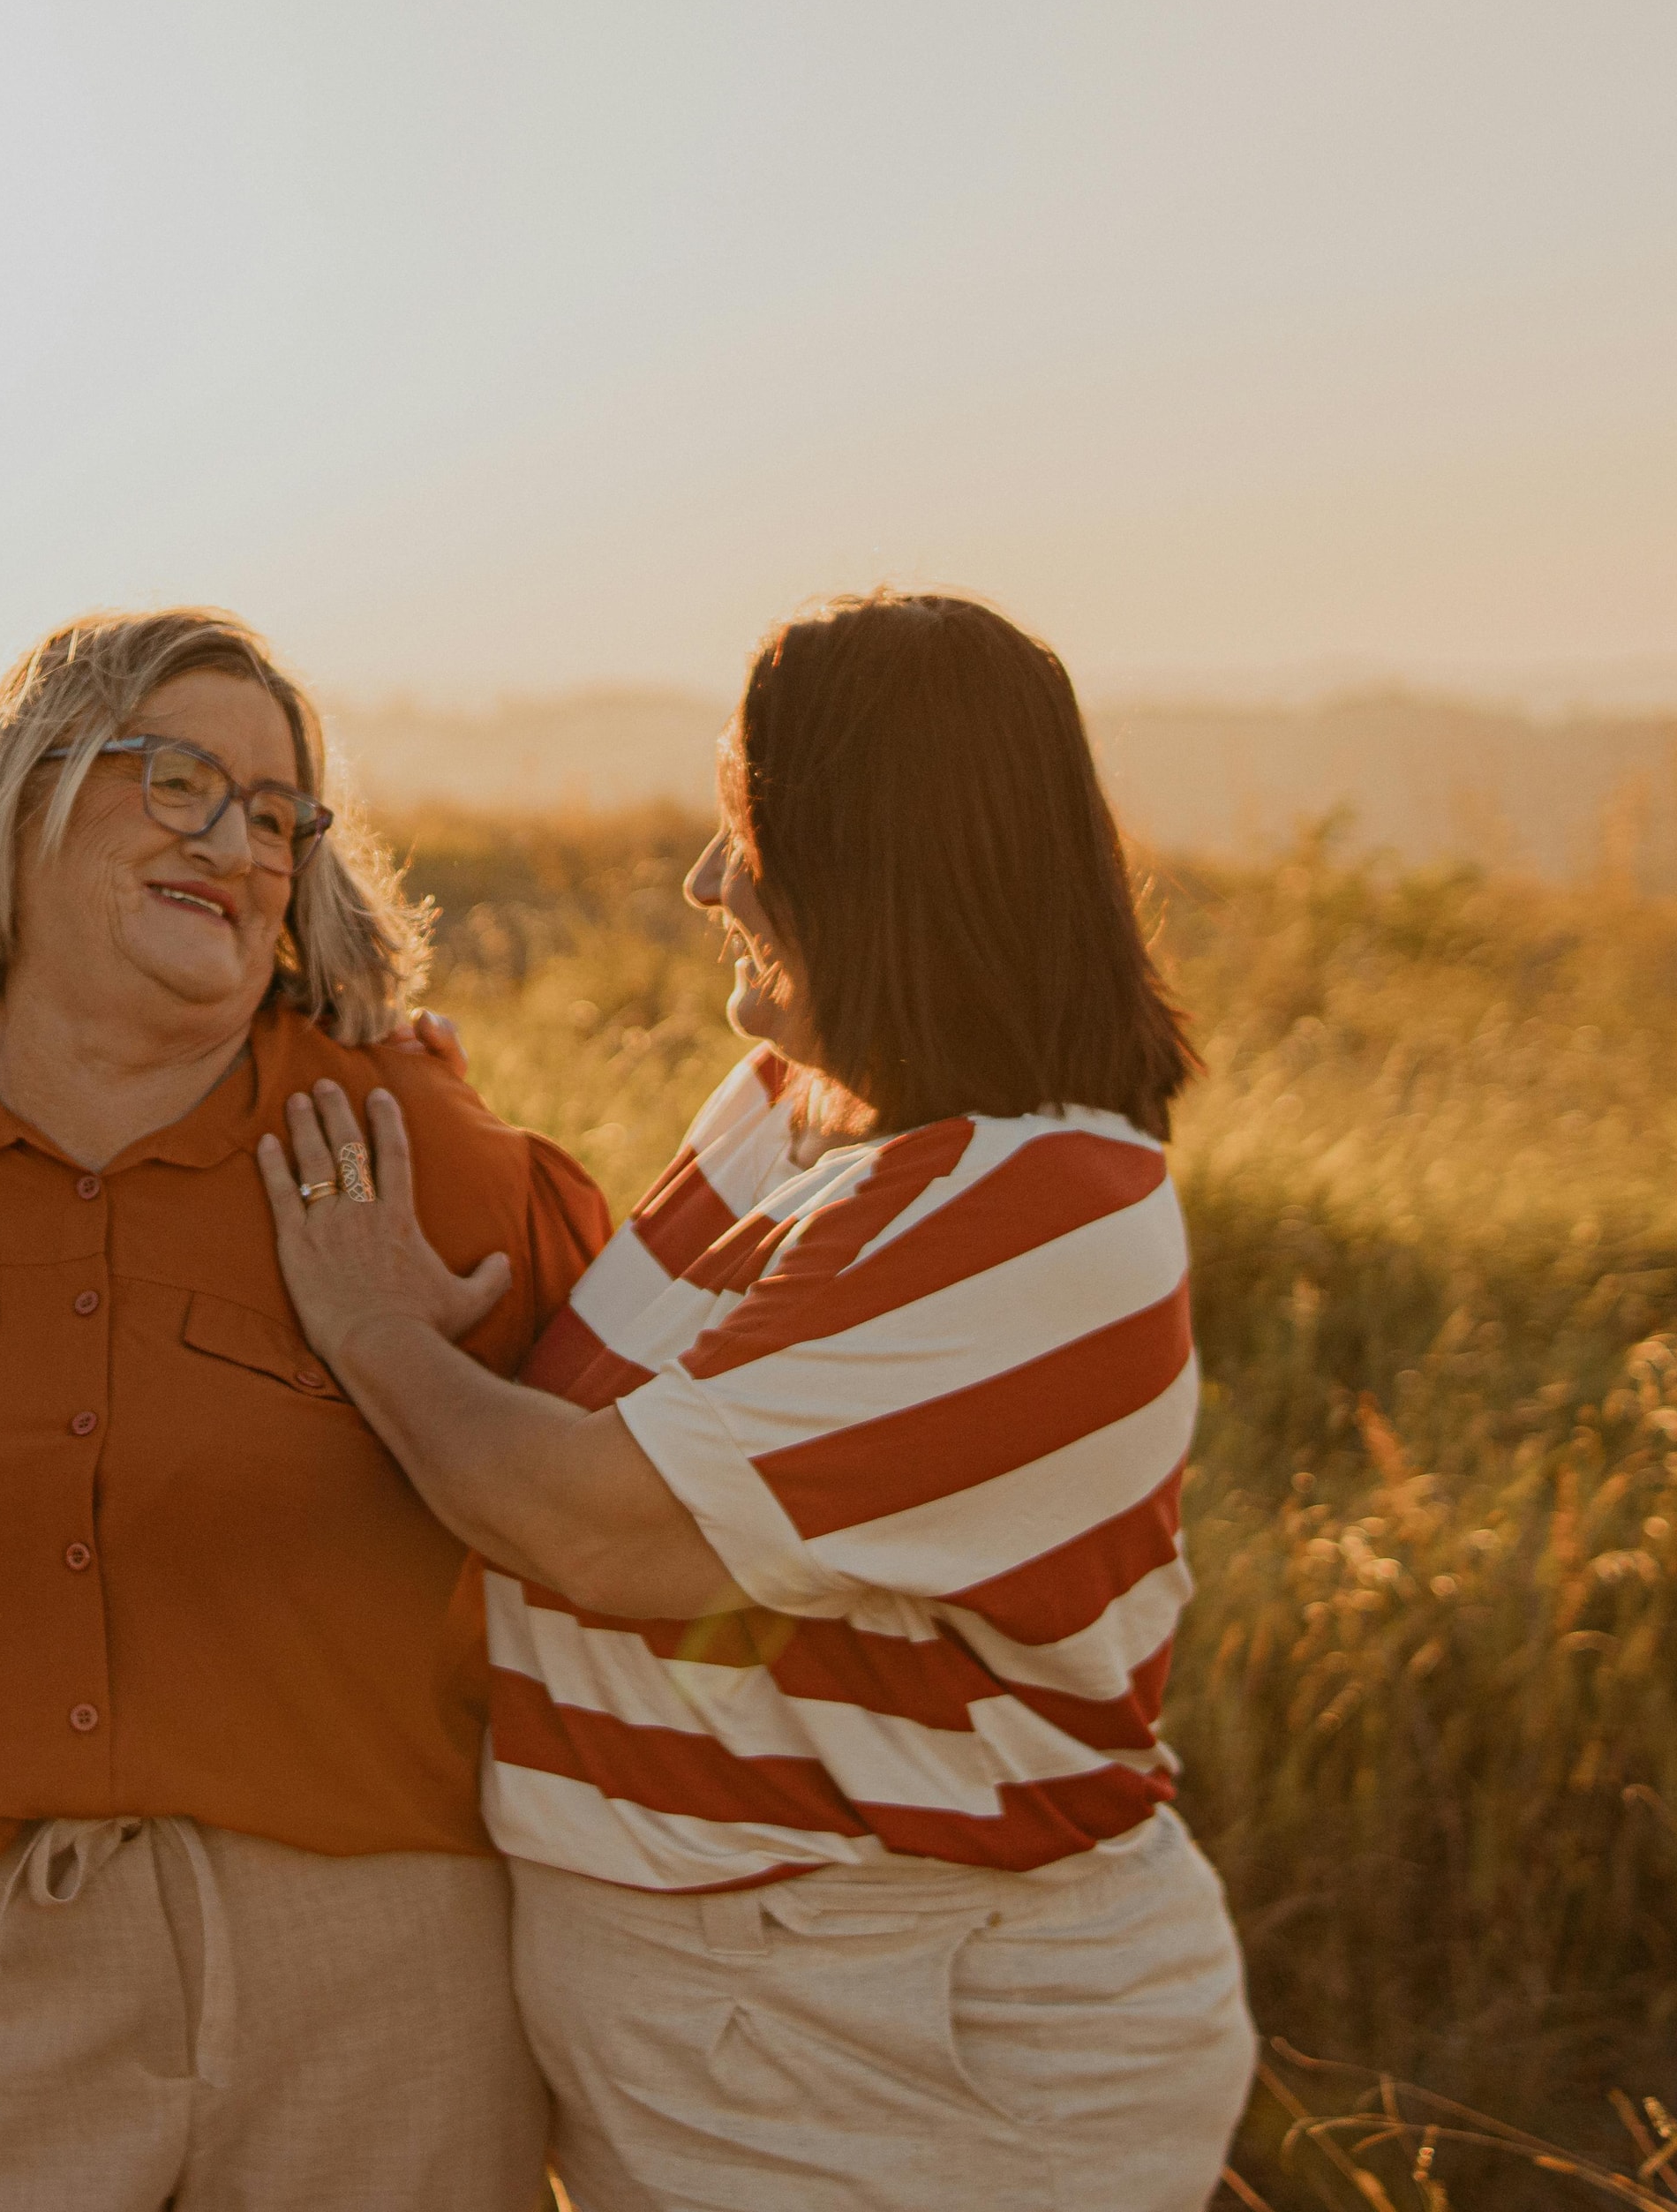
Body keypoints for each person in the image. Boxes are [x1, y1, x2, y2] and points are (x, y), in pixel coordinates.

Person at [256, 591, 1258, 2210]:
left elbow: (600, 1523)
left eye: (750, 832)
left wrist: (378, 1334)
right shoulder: (796, 1109)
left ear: (884, 870)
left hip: (915, 2037)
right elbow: (631, 1405)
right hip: (745, 2018)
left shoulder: (1047, 1212)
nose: (708, 881)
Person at [0, 608, 613, 2211]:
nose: (234, 844)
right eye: (178, 781)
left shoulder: (406, 1152)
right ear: (25, 797)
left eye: (273, 816)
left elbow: (632, 1502)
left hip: (378, 1986)